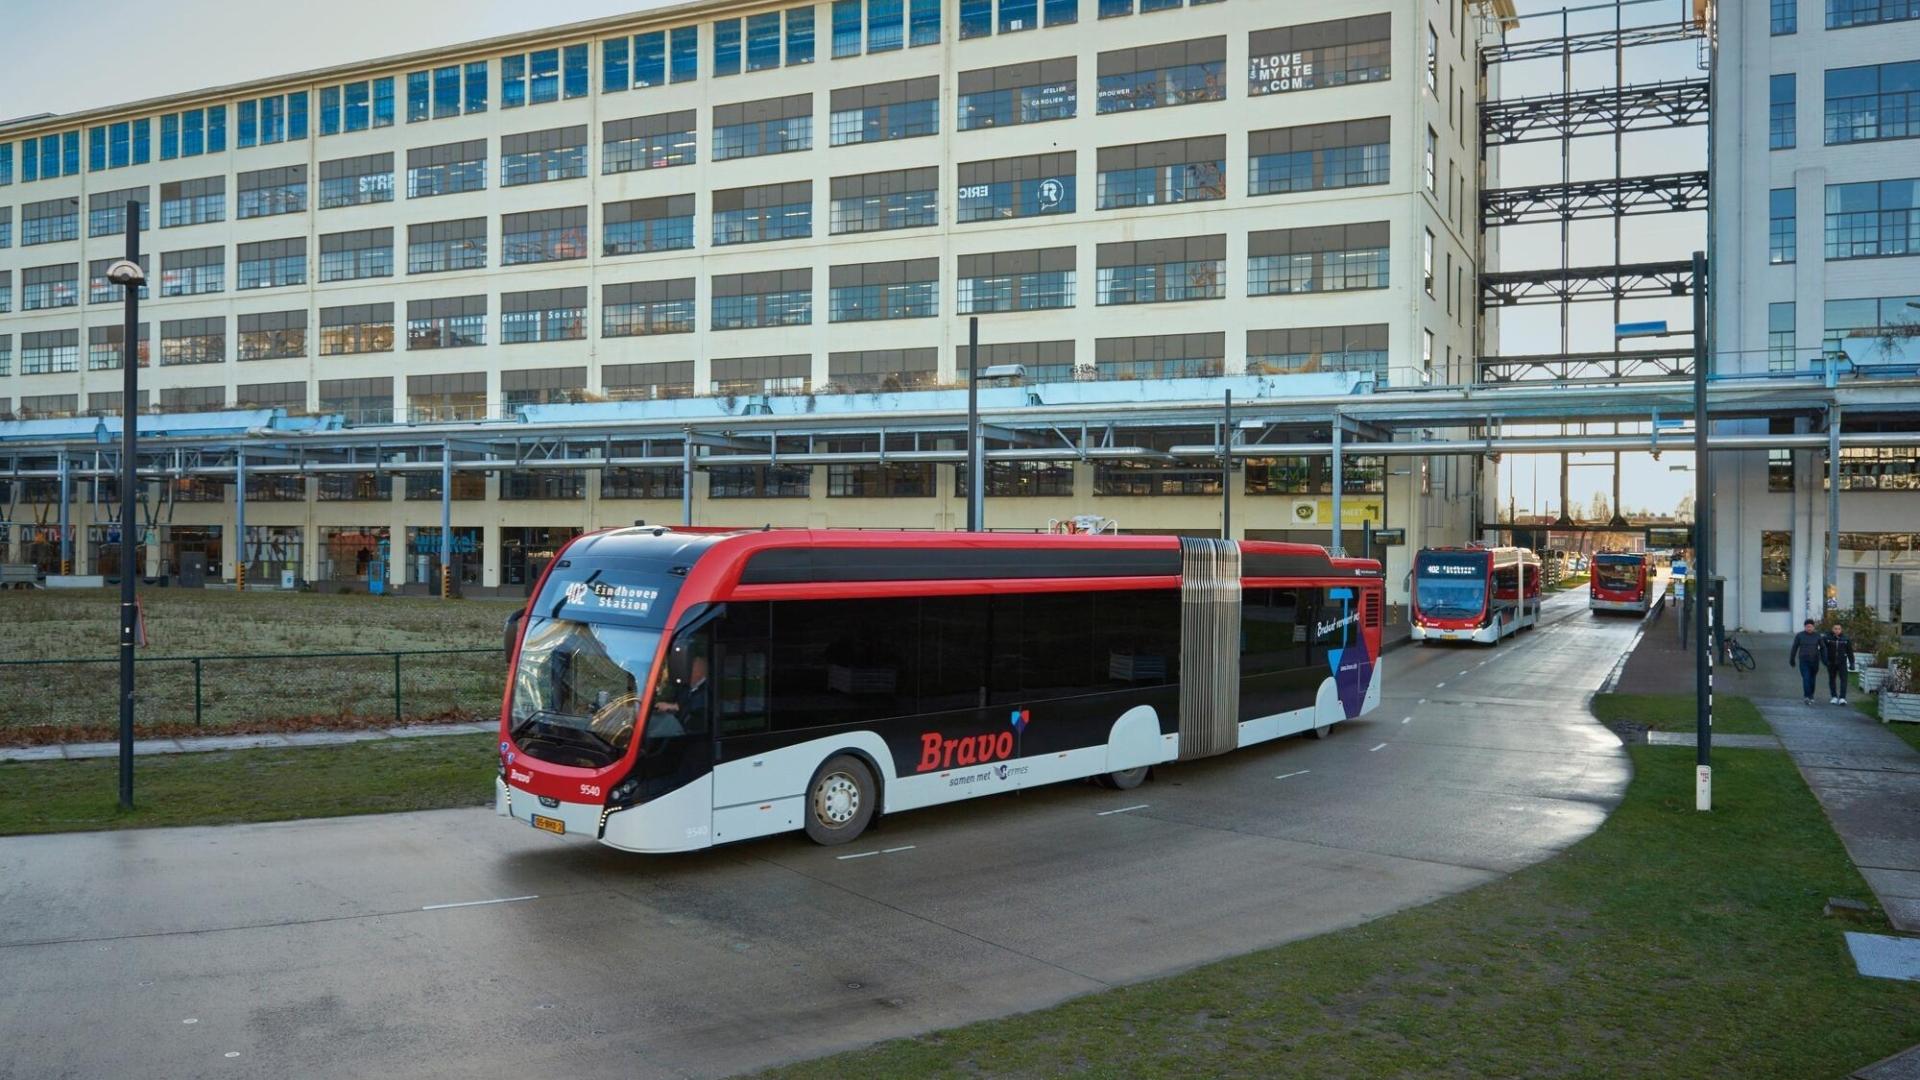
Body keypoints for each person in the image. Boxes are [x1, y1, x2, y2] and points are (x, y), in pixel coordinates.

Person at [1789, 619, 1823, 706]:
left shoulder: (1817, 636)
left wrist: (1824, 659)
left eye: (1810, 627)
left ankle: (1811, 695)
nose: (1809, 628)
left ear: (1813, 627)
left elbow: (1823, 648)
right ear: (1805, 627)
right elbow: (1795, 647)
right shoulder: (1800, 636)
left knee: (1812, 679)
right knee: (1806, 678)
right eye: (1807, 627)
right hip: (1804, 660)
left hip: (1815, 660)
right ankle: (1807, 696)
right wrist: (1792, 659)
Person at [1822, 622, 1856, 706]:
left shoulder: (1846, 639)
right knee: (1832, 679)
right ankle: (1834, 696)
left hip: (1842, 663)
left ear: (1841, 630)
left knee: (1844, 680)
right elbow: (1823, 650)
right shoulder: (1827, 638)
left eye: (1839, 629)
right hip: (1831, 662)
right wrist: (1825, 660)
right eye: (1835, 629)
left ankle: (1842, 698)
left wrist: (1852, 663)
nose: (1837, 630)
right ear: (1832, 629)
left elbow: (1850, 652)